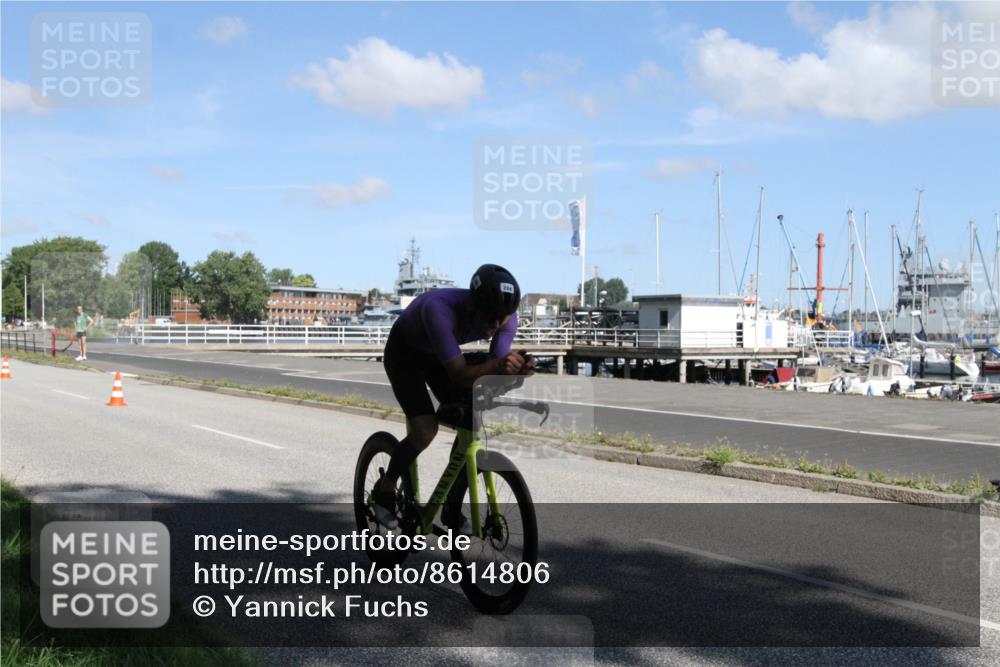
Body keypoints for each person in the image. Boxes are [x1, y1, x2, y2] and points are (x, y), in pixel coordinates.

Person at [373, 264, 534, 529]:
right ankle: (385, 489)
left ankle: (451, 506)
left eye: (500, 320)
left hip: (437, 353)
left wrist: (518, 370)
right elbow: (460, 375)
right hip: (405, 353)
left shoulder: (507, 316)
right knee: (425, 430)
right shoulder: (439, 309)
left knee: (470, 419)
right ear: (472, 306)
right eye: (489, 319)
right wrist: (498, 366)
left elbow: (493, 367)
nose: (495, 327)